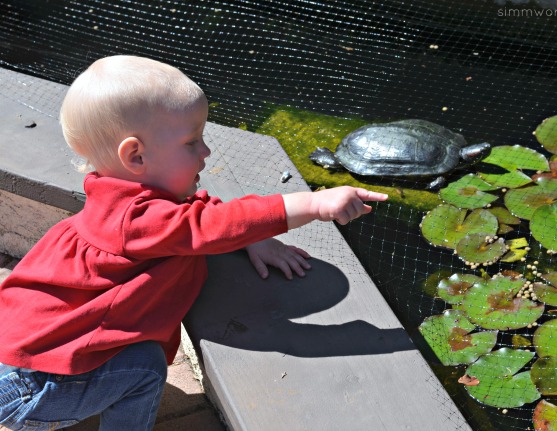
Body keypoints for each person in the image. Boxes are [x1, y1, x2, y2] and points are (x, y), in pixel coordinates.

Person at [0, 55, 388, 430]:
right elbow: (211, 225)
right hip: (30, 389)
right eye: (192, 142)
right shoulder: (139, 223)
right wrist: (315, 203)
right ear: (135, 155)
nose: (206, 151)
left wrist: (252, 238)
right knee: (144, 368)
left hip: (15, 352)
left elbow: (195, 215)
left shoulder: (118, 205)